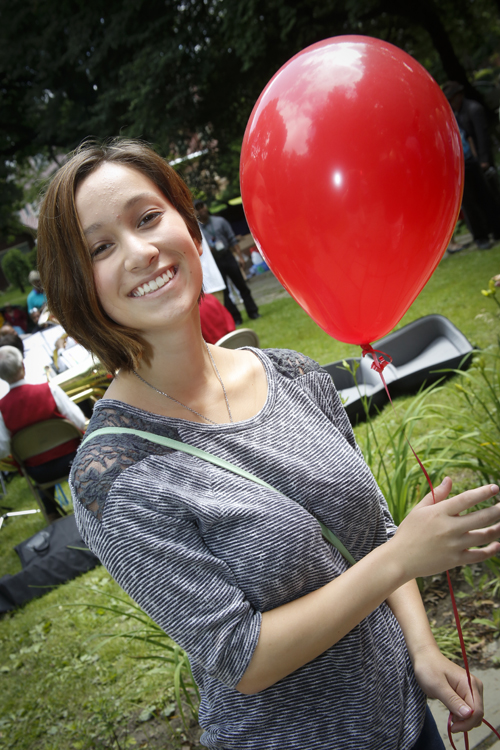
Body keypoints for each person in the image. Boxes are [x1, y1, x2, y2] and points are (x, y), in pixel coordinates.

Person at [36, 139, 500, 750]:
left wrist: (421, 649)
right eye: (101, 247)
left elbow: (374, 534)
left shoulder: (288, 372)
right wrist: (403, 557)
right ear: (76, 286)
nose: (141, 251)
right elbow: (242, 655)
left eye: (148, 218)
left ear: (186, 220)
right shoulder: (113, 475)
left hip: (408, 720)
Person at [0, 346, 87, 522]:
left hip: (39, 472)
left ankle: (52, 514)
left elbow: (2, 450)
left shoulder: (1, 409)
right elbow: (78, 421)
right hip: (74, 460)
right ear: (23, 366)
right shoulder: (50, 389)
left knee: (38, 464)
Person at [443, 82, 500, 250]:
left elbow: (481, 136)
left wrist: (484, 160)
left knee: (487, 197)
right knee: (469, 203)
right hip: (462, 165)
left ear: (458, 96)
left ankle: (495, 229)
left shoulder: (473, 109)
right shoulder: (457, 113)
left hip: (475, 162)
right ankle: (481, 236)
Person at [194, 200, 260, 325]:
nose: (201, 210)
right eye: (197, 208)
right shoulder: (197, 229)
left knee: (242, 285)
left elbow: (232, 239)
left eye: (202, 206)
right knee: (224, 291)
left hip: (228, 256)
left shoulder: (220, 222)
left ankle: (253, 311)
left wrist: (240, 257)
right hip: (214, 262)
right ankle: (235, 318)